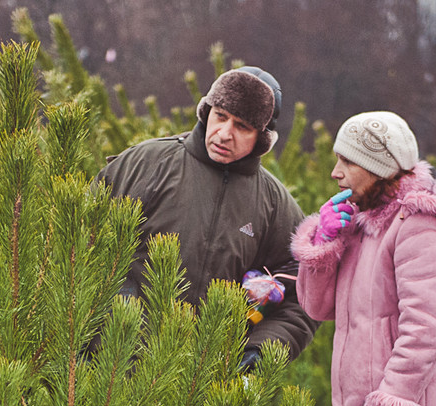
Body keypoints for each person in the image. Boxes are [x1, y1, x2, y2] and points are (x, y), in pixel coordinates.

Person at [94, 66, 319, 369]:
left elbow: (307, 295)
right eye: (221, 116)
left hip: (201, 390)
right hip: (112, 373)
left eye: (242, 126)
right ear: (206, 111)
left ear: (262, 138)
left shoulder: (274, 205)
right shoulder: (144, 166)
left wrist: (260, 350)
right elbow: (76, 243)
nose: (224, 134)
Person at [291, 111, 436, 406]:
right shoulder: (358, 223)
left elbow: (428, 325)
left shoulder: (418, 224)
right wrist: (323, 244)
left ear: (379, 167)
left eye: (347, 161)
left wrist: (393, 403)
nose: (335, 173)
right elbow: (316, 307)